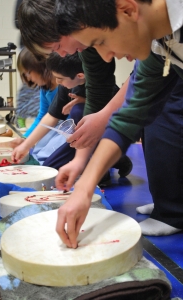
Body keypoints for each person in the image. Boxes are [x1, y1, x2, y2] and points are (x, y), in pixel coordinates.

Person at [46, 0, 183, 248]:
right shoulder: (159, 45)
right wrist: (85, 187)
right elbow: (129, 117)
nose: (109, 56)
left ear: (128, 9)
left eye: (100, 42)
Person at [17, 0, 133, 181]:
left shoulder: (91, 31)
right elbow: (107, 88)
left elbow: (140, 82)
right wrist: (80, 161)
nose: (62, 54)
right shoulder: (85, 44)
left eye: (57, 47)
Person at [12, 51, 86, 167]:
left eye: (28, 73)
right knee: (40, 156)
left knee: (77, 111)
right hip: (62, 130)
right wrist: (26, 142)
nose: (28, 78)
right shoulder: (56, 87)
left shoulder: (74, 83)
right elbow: (49, 115)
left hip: (77, 131)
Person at [14, 0, 40, 132]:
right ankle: (21, 114)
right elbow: (17, 22)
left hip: (43, 44)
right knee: (29, 83)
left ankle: (39, 117)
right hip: (27, 45)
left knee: (42, 83)